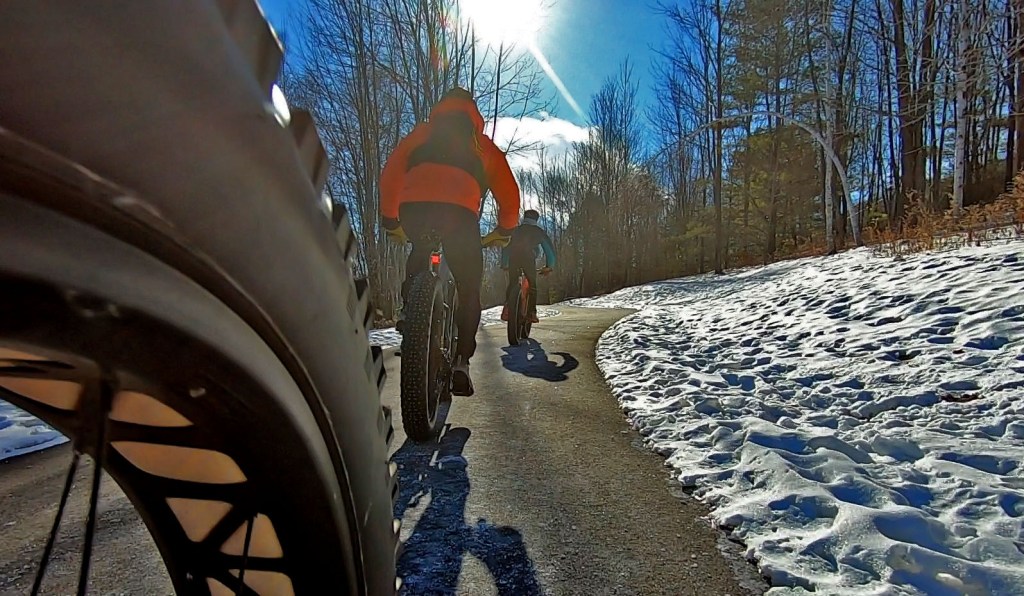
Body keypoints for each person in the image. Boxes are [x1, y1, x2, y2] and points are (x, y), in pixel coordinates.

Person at [379, 87, 520, 396]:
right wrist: (504, 230)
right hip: (460, 218)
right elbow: (510, 196)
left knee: (420, 248)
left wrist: (391, 220)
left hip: (415, 211)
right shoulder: (480, 145)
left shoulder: (421, 134)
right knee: (469, 288)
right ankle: (462, 363)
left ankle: (409, 310)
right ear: (473, 113)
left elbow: (390, 174)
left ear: (440, 108)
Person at [501, 209, 556, 324]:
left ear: (524, 218)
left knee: (512, 282)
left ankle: (507, 308)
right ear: (536, 219)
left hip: (513, 259)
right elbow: (549, 250)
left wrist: (504, 263)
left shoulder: (515, 231)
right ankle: (531, 313)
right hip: (528, 259)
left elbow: (506, 247)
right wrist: (549, 266)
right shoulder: (538, 232)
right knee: (532, 284)